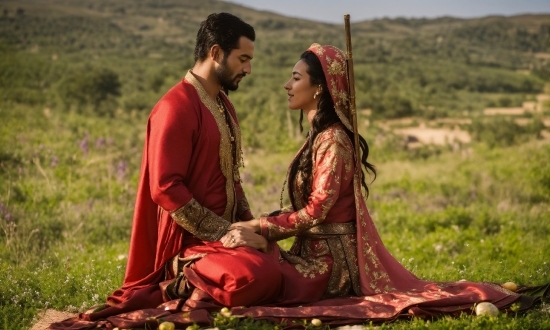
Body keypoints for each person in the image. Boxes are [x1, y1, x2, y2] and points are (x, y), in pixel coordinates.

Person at [225, 43, 541, 324]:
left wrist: (261, 227)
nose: (286, 85)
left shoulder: (333, 139)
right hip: (307, 251)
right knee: (244, 259)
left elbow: (317, 211)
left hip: (330, 264)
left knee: (254, 278)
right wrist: (257, 225)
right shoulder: (318, 137)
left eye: (296, 77)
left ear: (319, 88)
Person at [50, 12, 281, 330]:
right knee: (255, 275)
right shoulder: (175, 107)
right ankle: (179, 282)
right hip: (185, 246)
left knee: (277, 259)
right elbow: (164, 188)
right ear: (215, 53)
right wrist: (225, 233)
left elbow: (233, 178)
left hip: (223, 241)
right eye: (242, 59)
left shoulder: (224, 106)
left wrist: (248, 228)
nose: (248, 69)